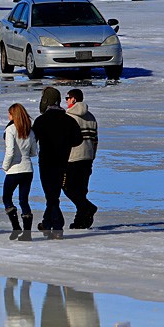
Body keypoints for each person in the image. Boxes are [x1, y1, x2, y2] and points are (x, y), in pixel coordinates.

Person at [31, 87, 82, 239]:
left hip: (46, 162)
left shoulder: (41, 121)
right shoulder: (69, 120)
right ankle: (47, 224)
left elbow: (33, 140)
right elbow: (77, 140)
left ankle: (58, 226)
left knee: (51, 196)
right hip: (62, 162)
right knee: (54, 194)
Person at [64, 89, 99, 229]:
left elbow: (65, 140)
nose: (66, 101)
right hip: (88, 157)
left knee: (67, 187)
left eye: (67, 98)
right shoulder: (91, 117)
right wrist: (92, 156)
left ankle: (87, 207)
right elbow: (95, 140)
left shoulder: (69, 117)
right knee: (82, 190)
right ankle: (80, 220)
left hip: (73, 157)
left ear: (73, 100)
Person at [1, 103, 37, 241]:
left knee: (7, 198)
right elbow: (34, 152)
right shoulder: (30, 130)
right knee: (24, 200)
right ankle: (27, 234)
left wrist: (4, 166)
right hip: (28, 169)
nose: (8, 116)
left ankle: (16, 227)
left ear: (13, 115)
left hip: (14, 170)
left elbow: (9, 152)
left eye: (9, 114)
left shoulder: (10, 129)